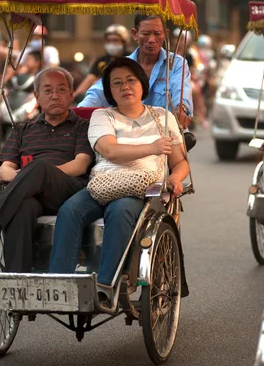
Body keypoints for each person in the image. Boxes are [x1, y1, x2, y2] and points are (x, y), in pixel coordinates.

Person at [49, 57, 189, 301]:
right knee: (70, 210)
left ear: (141, 84)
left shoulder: (163, 117)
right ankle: (60, 285)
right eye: (117, 83)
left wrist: (176, 178)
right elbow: (110, 151)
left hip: (142, 188)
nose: (125, 87)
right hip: (103, 183)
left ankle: (106, 285)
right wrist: (153, 147)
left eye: (130, 80)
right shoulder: (102, 116)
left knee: (121, 211)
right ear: (109, 91)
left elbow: (180, 162)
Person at [0, 67, 94, 273]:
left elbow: (80, 164)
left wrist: (40, 173)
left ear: (71, 94)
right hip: (29, 194)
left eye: (61, 89)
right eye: (47, 90)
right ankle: (16, 282)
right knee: (22, 207)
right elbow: (6, 171)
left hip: (68, 193)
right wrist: (29, 177)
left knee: (39, 167)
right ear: (36, 96)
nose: (54, 95)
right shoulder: (23, 129)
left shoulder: (83, 126)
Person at [79, 14, 193, 128]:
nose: (151, 40)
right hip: (129, 134)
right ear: (135, 34)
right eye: (146, 33)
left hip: (166, 133)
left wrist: (181, 110)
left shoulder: (177, 64)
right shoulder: (122, 65)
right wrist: (80, 112)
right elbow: (98, 94)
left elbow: (181, 93)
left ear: (165, 34)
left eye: (157, 34)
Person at [73, 24, 131, 100]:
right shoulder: (101, 61)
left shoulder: (131, 58)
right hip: (105, 96)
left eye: (115, 40)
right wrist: (74, 96)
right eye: (109, 40)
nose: (111, 43)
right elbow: (89, 80)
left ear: (124, 42)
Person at [171, 28, 208, 128]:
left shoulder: (189, 55)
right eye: (176, 38)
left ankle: (196, 114)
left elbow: (190, 71)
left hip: (185, 79)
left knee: (194, 90)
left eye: (181, 39)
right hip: (170, 79)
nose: (177, 41)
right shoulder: (168, 53)